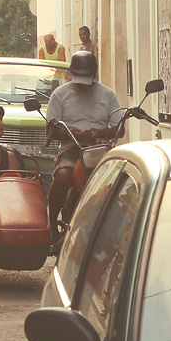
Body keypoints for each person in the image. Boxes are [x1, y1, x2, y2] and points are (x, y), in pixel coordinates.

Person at [45, 50, 119, 238]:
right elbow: (51, 130)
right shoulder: (60, 95)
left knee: (115, 181)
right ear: (71, 73)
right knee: (63, 176)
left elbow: (119, 128)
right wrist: (71, 133)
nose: (83, 86)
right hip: (71, 147)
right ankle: (51, 223)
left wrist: (100, 133)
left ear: (95, 74)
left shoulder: (107, 95)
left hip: (99, 148)